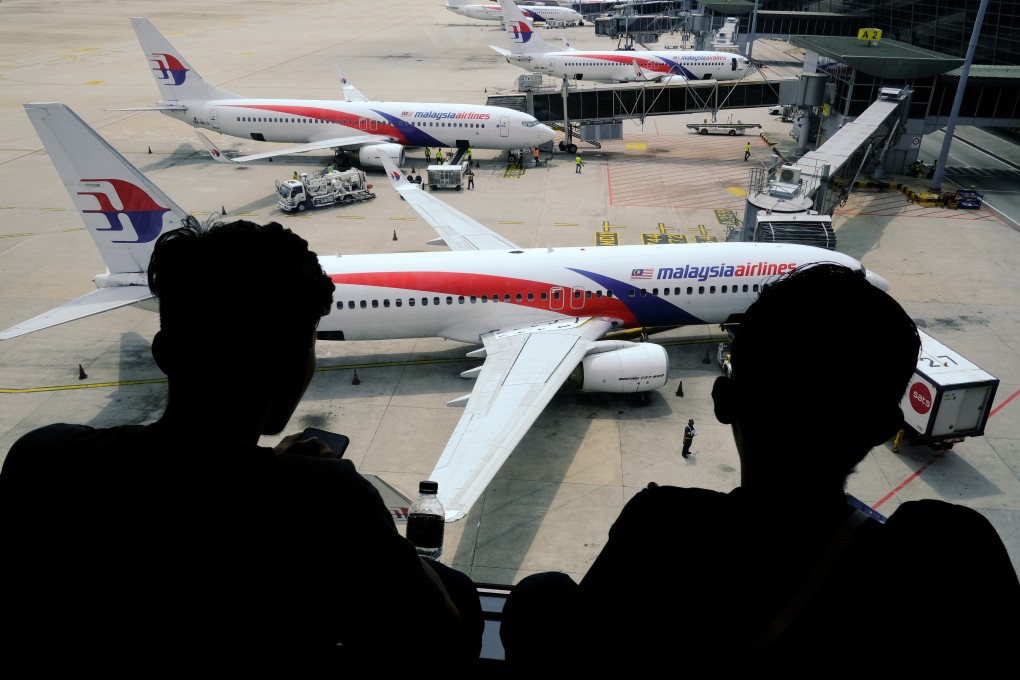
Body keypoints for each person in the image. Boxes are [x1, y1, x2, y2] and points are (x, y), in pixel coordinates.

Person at [0, 220, 483, 669]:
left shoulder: (43, 458)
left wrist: (265, 469)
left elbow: (189, 484)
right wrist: (300, 480)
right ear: (302, 367)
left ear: (163, 354)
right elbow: (441, 644)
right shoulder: (327, 500)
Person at [501, 263, 1019, 673]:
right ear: (886, 428)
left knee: (539, 593)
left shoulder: (660, 525)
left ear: (724, 401)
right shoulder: (935, 564)